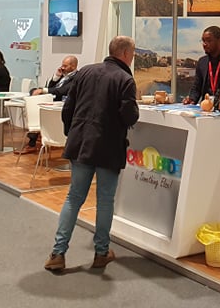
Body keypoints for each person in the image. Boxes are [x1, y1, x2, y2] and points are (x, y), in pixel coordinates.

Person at [44, 37, 139, 273]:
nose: (133, 57)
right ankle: (101, 252)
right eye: (133, 53)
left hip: (80, 143)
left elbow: (68, 108)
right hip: (108, 147)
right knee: (105, 201)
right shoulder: (125, 79)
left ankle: (57, 253)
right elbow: (130, 117)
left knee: (73, 198)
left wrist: (72, 132)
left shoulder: (84, 72)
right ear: (125, 54)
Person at [16, 55, 79, 154]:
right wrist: (56, 77)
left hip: (62, 104)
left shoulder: (76, 77)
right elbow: (51, 87)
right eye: (62, 65)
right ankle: (34, 132)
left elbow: (62, 91)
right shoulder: (64, 75)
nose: (62, 68)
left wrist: (43, 90)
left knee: (39, 107)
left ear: (73, 66)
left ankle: (32, 142)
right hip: (52, 99)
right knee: (34, 92)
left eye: (65, 66)